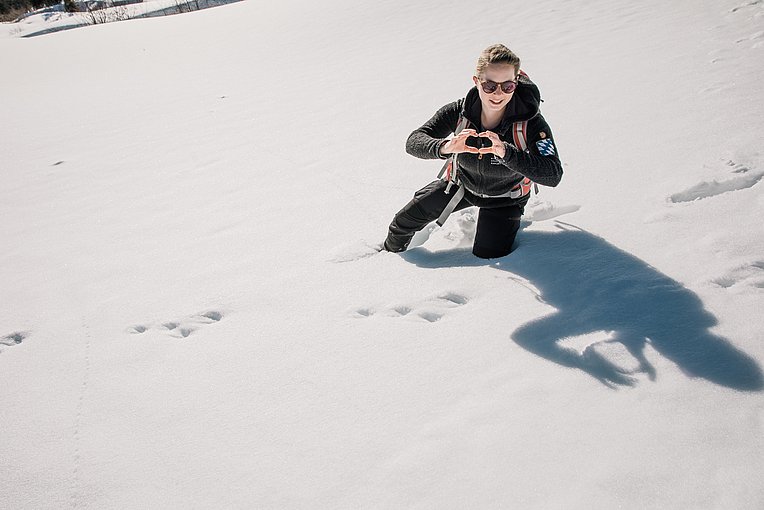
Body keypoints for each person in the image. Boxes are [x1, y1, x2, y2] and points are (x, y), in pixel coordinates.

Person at [383, 44, 563, 258]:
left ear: (515, 83)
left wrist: (507, 154)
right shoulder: (460, 111)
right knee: (402, 223)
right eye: (489, 86)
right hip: (460, 186)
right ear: (476, 82)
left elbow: (553, 174)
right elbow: (413, 141)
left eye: (507, 86)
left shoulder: (531, 122)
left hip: (505, 198)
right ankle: (386, 263)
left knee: (486, 255)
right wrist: (445, 147)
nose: (498, 93)